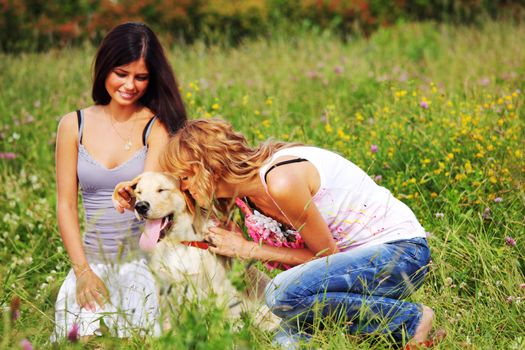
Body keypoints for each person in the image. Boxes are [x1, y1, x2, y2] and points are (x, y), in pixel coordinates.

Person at [160, 118, 443, 348]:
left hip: (400, 255)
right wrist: (131, 198)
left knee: (280, 292)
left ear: (210, 167)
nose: (184, 187)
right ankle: (375, 332)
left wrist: (249, 249)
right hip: (357, 269)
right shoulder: (246, 197)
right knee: (286, 342)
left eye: (185, 177)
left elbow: (327, 257)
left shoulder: (280, 179)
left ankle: (411, 320)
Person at [52, 22, 187, 341]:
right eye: (121, 73)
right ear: (104, 69)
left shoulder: (156, 129)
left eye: (141, 77)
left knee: (128, 342)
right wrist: (82, 273)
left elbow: (152, 208)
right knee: (86, 342)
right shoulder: (74, 125)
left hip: (138, 266)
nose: (130, 85)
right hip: (90, 265)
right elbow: (66, 205)